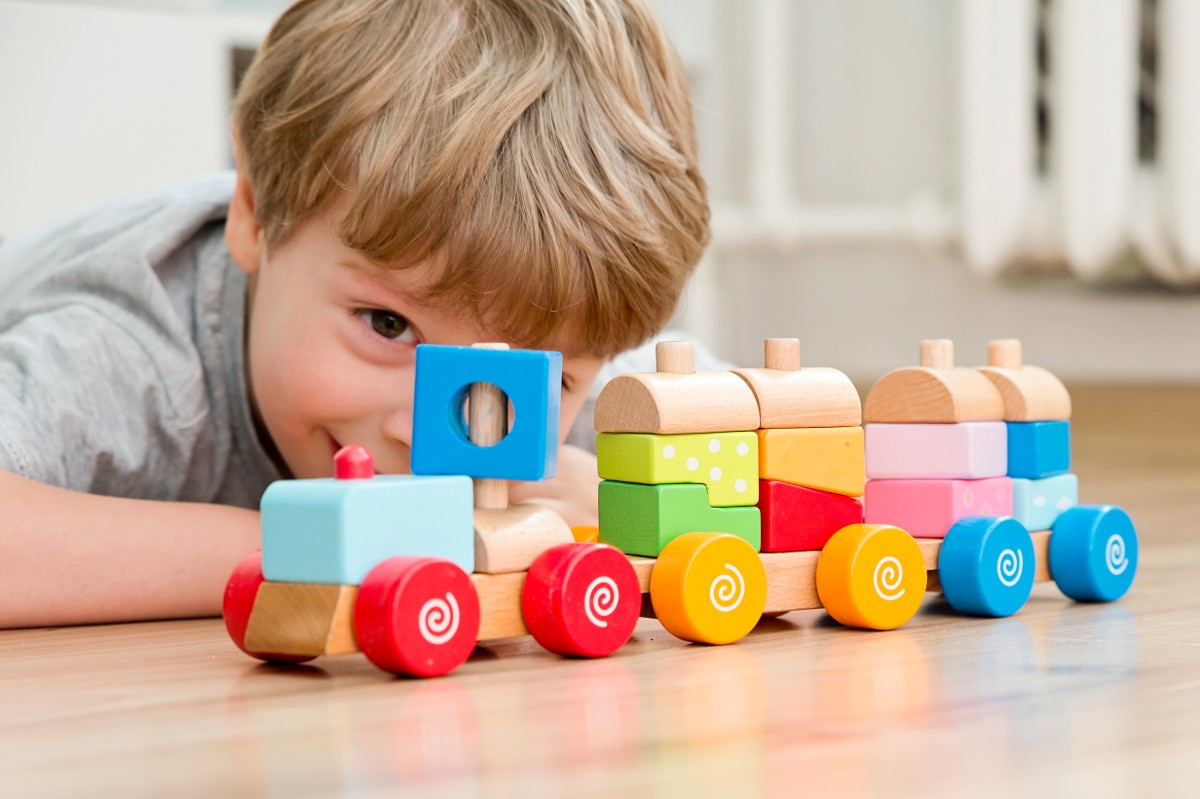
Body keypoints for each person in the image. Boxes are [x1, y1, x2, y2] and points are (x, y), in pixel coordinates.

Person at [0, 0, 710, 627]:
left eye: (536, 379)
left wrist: (622, 512)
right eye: (389, 325)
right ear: (253, 213)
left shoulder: (567, 338)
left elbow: (794, 450)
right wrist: (327, 541)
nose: (435, 437)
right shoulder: (131, 353)